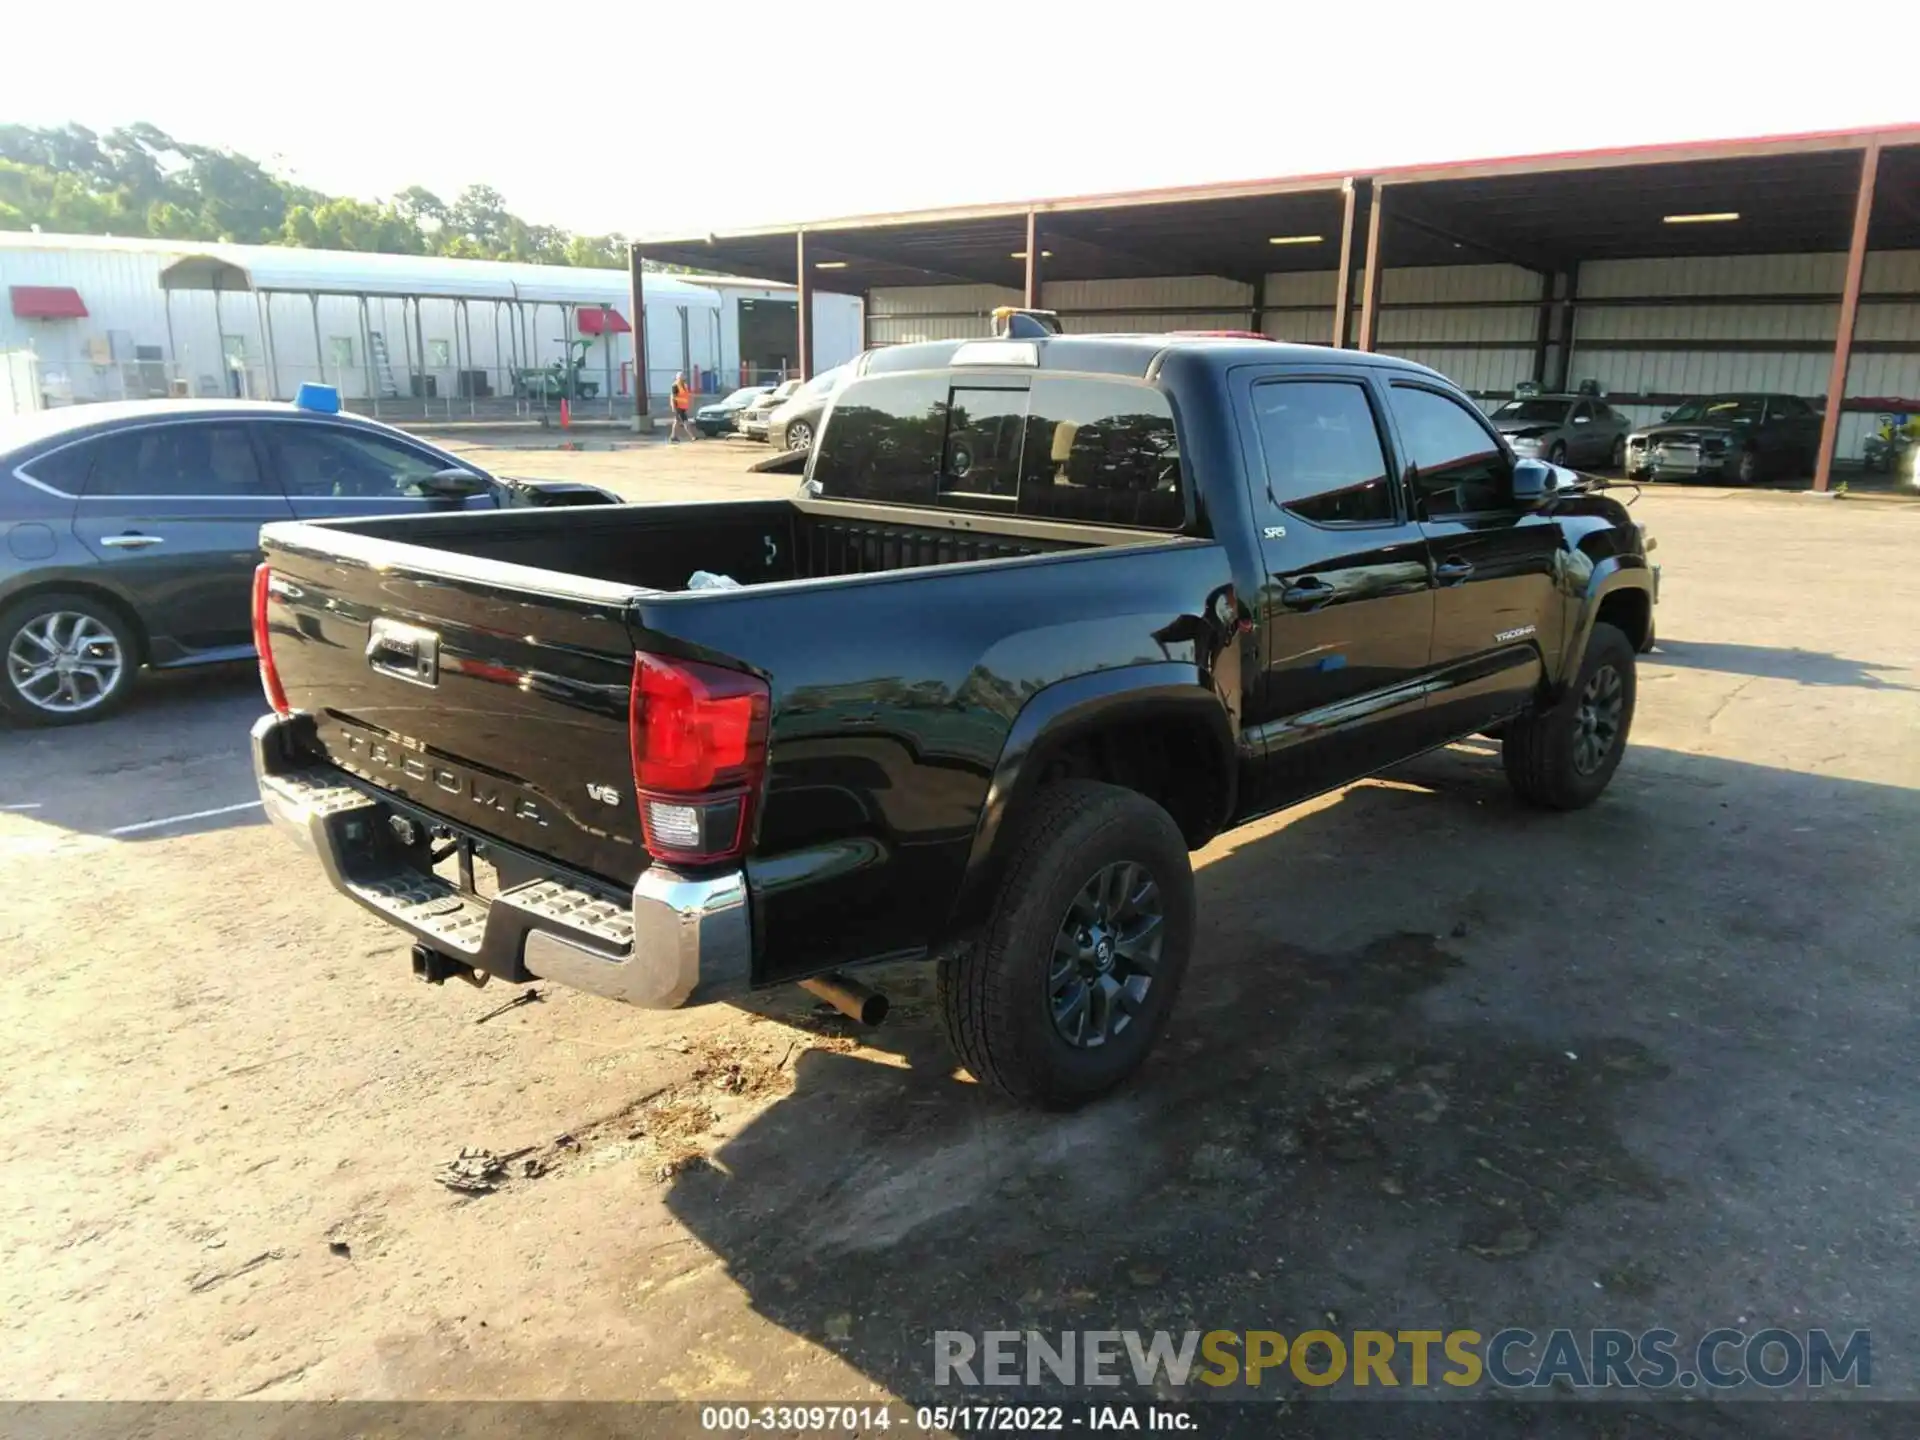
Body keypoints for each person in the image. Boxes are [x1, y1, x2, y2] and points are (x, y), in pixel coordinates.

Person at [668, 373, 696, 442]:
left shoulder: (685, 385)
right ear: (678, 378)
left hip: (683, 407)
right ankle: (692, 436)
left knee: (676, 421)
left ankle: (673, 436)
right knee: (685, 421)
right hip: (678, 407)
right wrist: (673, 407)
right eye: (682, 377)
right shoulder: (675, 386)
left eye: (683, 377)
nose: (684, 378)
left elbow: (686, 396)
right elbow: (673, 397)